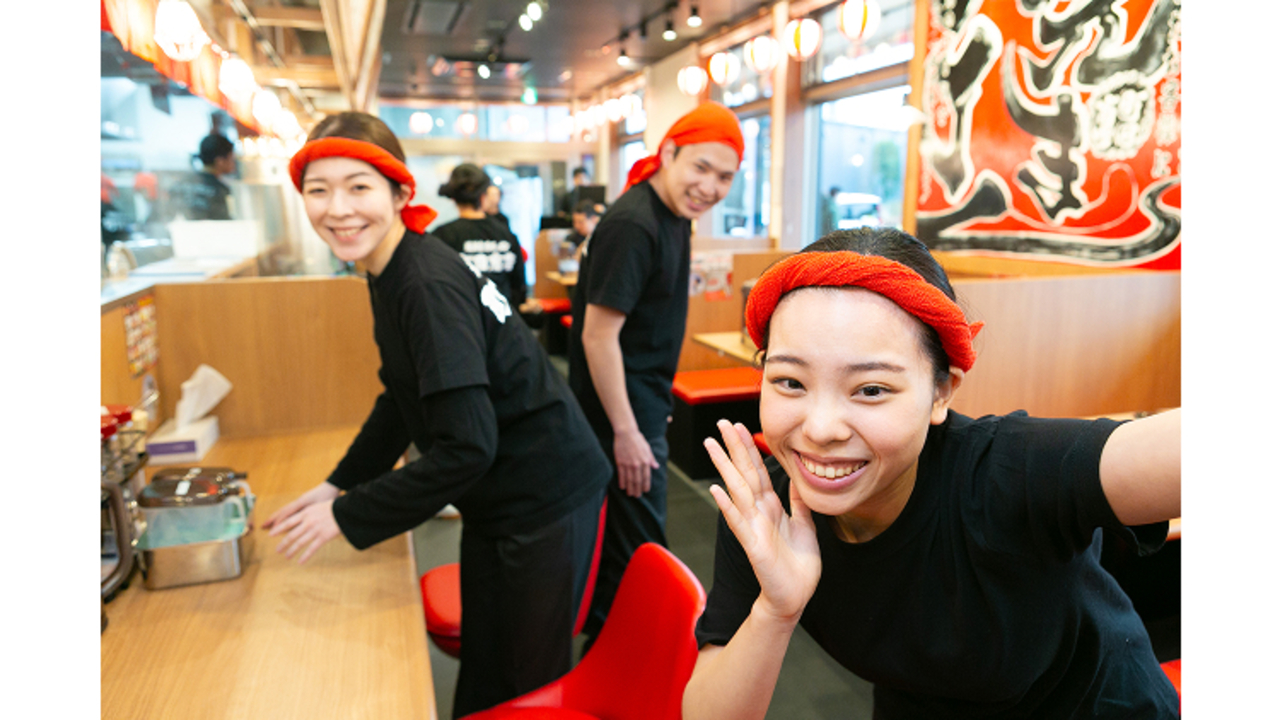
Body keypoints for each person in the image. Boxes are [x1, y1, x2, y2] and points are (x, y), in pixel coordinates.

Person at [682, 227, 1182, 719]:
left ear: (942, 392)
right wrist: (775, 610)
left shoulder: (1005, 474)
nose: (821, 428)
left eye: (871, 390)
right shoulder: (766, 514)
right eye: (790, 381)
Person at [262, 112, 611, 719]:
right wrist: (336, 485)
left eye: (359, 187)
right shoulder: (389, 269)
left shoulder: (423, 282)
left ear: (400, 193)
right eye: (319, 190)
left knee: (526, 685)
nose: (338, 208)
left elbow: (466, 448)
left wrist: (347, 514)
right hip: (495, 496)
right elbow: (402, 395)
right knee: (485, 664)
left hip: (543, 493)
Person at [566, 101, 744, 644]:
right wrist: (626, 432)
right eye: (701, 168)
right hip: (621, 415)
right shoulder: (635, 223)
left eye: (725, 177)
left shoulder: (673, 218)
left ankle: (614, 664)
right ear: (668, 154)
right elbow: (598, 336)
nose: (710, 186)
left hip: (642, 403)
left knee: (628, 549)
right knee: (638, 550)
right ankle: (621, 672)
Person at [435, 164, 530, 311]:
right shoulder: (506, 234)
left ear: (453, 198)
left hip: (459, 321)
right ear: (483, 196)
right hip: (502, 320)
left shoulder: (441, 237)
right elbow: (519, 286)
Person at [188, 133, 236, 220]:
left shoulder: (188, 182)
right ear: (220, 161)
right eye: (231, 158)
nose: (234, 163)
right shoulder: (221, 191)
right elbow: (226, 222)